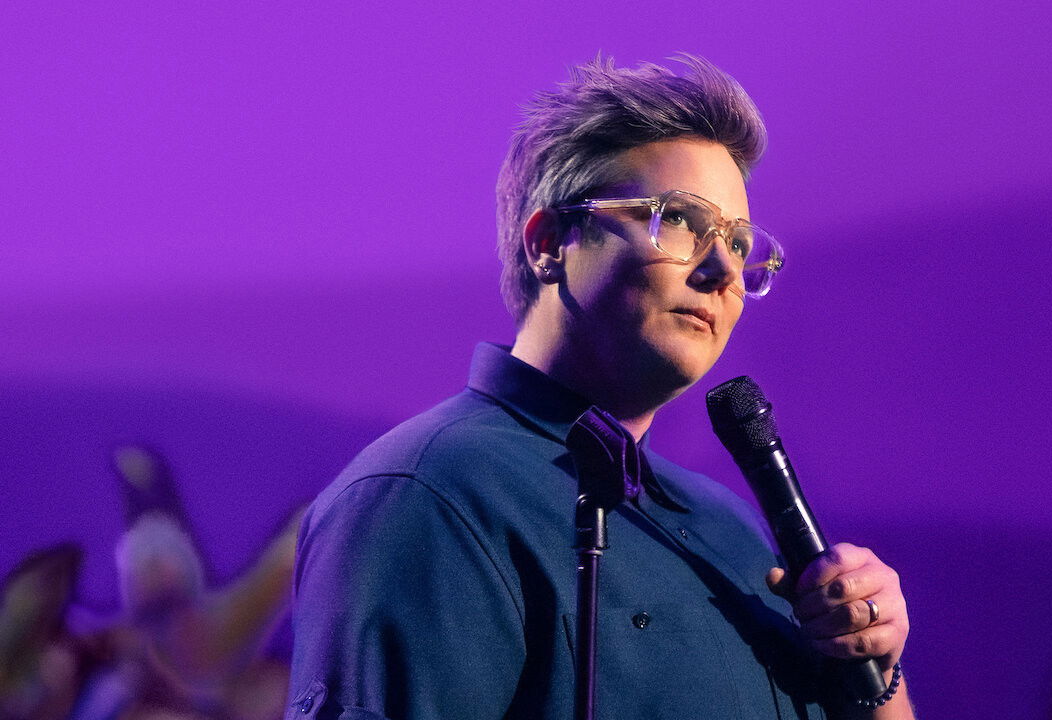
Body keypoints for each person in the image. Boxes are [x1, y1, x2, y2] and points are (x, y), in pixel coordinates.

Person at [286, 55, 914, 720]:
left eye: (737, 243)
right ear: (549, 243)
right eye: (680, 218)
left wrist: (876, 666)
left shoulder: (729, 528)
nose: (724, 270)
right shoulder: (428, 496)